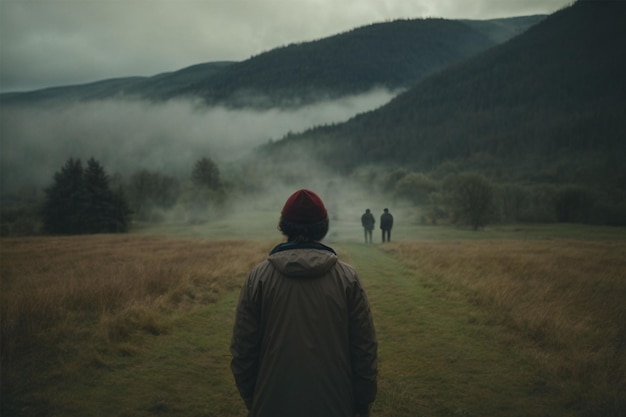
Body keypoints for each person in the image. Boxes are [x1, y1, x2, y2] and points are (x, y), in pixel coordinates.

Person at [230, 189, 378, 417]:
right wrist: (361, 404)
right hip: (337, 406)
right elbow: (364, 351)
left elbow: (243, 353)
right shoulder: (348, 278)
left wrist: (255, 400)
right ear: (322, 227)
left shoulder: (257, 277)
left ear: (284, 226)